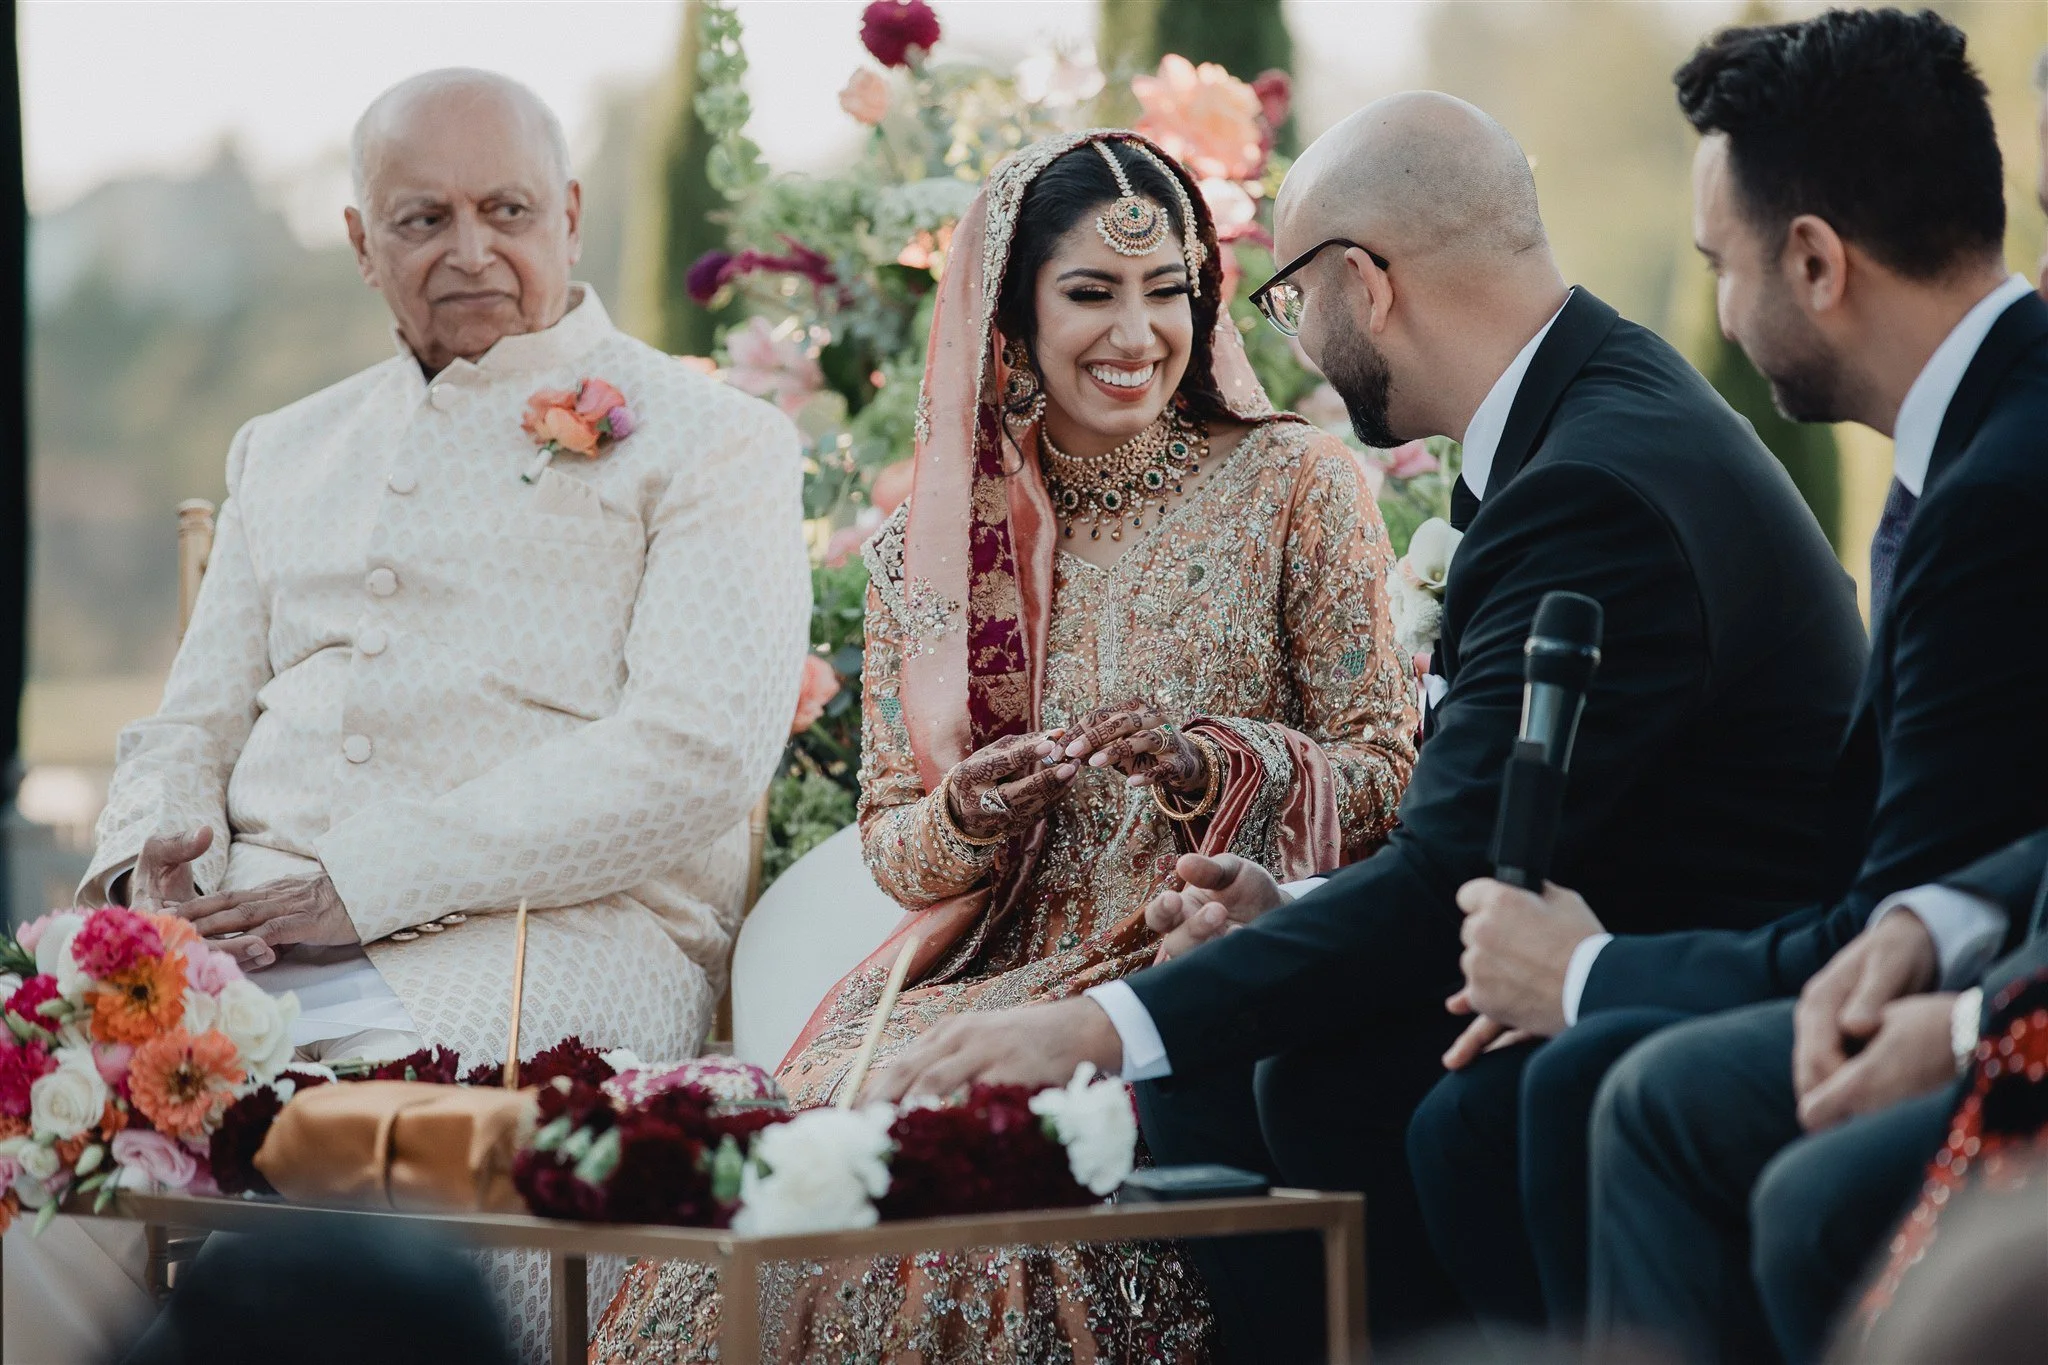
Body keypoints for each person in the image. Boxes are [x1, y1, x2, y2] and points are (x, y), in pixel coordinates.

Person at [871, 92, 1869, 1355]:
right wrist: (1279, 913)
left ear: (1363, 283)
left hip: (1707, 974)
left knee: (1251, 1073)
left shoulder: (1587, 487)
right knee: (1256, 1070)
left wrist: (1088, 1024)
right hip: (1594, 928)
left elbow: (1444, 864)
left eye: (1288, 300)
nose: (1290, 343)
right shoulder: (1584, 417)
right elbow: (1482, 834)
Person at [14, 69, 811, 1365]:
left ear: (570, 211)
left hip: (534, 960)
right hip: (234, 968)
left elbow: (697, 753)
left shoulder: (708, 440)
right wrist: (148, 867)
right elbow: (187, 724)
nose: (471, 249)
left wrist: (360, 885)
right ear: (360, 243)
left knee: (322, 1230)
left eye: (505, 209)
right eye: (423, 219)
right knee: (22, 1156)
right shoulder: (287, 445)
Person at [591, 129, 1417, 1364]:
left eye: (1166, 294)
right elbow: (894, 848)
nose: (1136, 336)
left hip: (1194, 973)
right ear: (1010, 314)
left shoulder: (1294, 485)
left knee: (977, 1208)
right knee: (799, 1165)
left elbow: (1389, 778)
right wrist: (970, 812)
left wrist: (1214, 763)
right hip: (977, 981)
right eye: (1089, 294)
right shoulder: (929, 552)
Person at [1436, 14, 2048, 1361]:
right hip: (1964, 948)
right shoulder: (1989, 431)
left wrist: (1589, 970)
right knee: (1523, 1100)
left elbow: (1908, 894)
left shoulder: (1998, 495)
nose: (1715, 310)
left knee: (1610, 1084)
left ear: (1816, 261)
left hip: (2005, 1008)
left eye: (1721, 265)